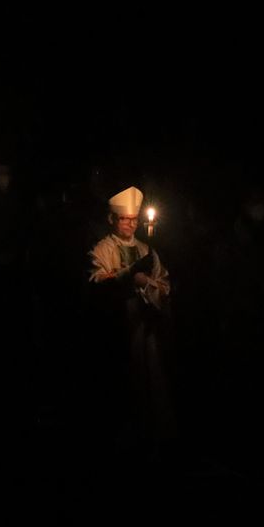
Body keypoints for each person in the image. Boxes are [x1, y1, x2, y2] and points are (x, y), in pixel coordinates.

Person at [88, 186, 175, 460]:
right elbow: (96, 281)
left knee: (148, 379)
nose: (132, 224)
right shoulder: (102, 248)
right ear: (113, 220)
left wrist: (149, 285)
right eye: (125, 219)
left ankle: (151, 435)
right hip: (117, 326)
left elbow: (164, 283)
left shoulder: (146, 249)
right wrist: (129, 275)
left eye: (134, 219)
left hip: (144, 328)